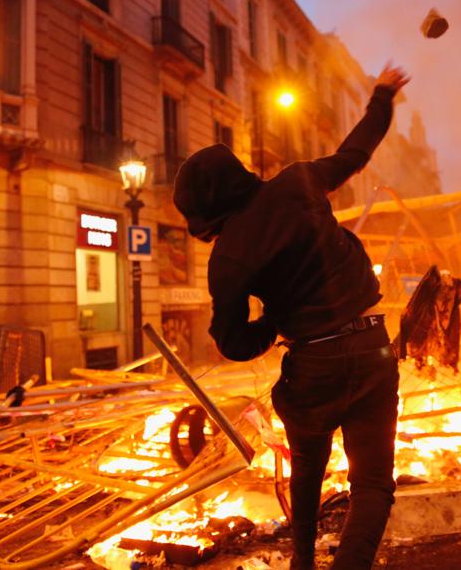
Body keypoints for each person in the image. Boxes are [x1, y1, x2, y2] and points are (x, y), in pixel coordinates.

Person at [174, 64, 410, 570]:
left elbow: (233, 343)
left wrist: (272, 326)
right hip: (372, 348)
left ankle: (302, 563)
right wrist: (382, 96)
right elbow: (356, 153)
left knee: (307, 472)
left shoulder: (228, 256)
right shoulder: (297, 183)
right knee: (372, 483)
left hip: (312, 367)